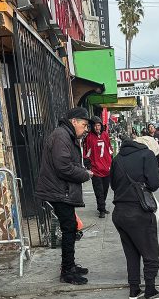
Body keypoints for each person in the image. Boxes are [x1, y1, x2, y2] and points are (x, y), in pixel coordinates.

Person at [36, 107, 92, 285]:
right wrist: (85, 174)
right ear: (74, 121)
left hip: (61, 189)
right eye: (83, 125)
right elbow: (63, 167)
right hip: (59, 190)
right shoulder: (61, 135)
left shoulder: (65, 134)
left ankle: (70, 265)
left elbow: (68, 163)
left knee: (70, 227)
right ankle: (67, 271)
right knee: (69, 228)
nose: (85, 130)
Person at [110, 133, 159, 299]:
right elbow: (154, 184)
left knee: (131, 254)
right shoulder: (147, 155)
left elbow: (112, 185)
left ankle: (134, 289)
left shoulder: (118, 158)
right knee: (150, 253)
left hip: (119, 213)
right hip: (139, 212)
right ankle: (150, 290)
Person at [84, 118, 112, 218]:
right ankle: (102, 209)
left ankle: (102, 206)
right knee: (98, 190)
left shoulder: (105, 135)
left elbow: (109, 150)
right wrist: (89, 167)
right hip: (95, 169)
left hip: (106, 168)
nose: (97, 127)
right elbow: (86, 154)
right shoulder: (89, 137)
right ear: (92, 126)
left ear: (101, 126)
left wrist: (110, 164)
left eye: (99, 125)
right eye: (95, 125)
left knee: (105, 189)